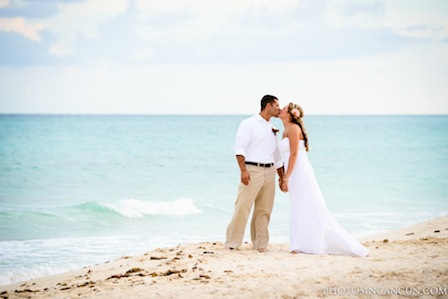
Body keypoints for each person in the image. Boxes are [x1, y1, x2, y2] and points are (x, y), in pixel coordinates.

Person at [279, 102, 368, 257]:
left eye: (284, 108)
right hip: (293, 171)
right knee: (299, 205)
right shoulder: (285, 130)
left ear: (291, 114)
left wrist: (286, 177)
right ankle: (301, 242)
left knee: (307, 204)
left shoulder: (293, 128)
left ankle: (308, 244)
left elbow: (294, 154)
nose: (280, 110)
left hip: (299, 171)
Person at [225, 95, 285, 253]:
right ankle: (232, 242)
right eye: (277, 105)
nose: (279, 108)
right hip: (252, 170)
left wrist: (281, 176)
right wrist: (243, 170)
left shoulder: (272, 128)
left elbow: (277, 154)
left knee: (264, 210)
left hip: (270, 171)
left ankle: (260, 244)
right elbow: (239, 148)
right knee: (243, 206)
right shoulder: (248, 124)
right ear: (268, 106)